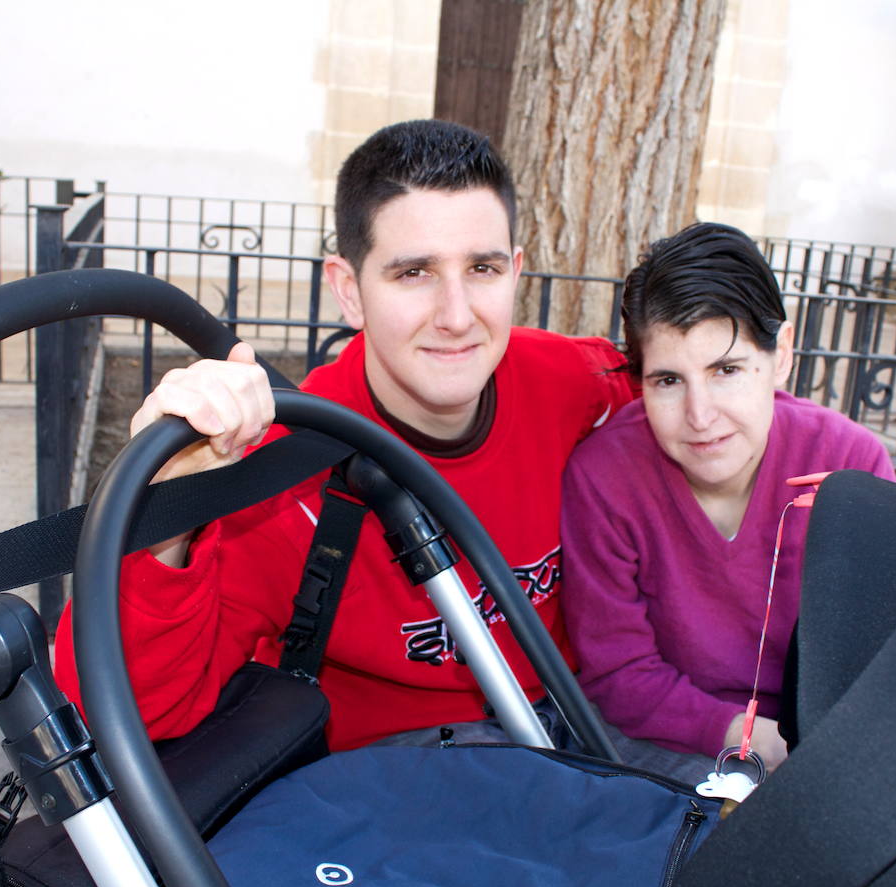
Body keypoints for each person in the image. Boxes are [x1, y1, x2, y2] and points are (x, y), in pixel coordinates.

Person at [51, 120, 638, 752]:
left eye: (483, 268)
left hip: (576, 734)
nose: (458, 315)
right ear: (349, 290)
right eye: (414, 273)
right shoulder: (284, 475)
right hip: (390, 785)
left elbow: (704, 415)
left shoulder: (579, 383)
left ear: (516, 273)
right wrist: (169, 511)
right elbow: (123, 714)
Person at [559, 222, 896, 771]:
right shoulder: (604, 476)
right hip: (663, 741)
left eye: (726, 370)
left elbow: (884, 654)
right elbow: (620, 674)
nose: (700, 416)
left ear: (781, 355)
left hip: (823, 746)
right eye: (668, 381)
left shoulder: (849, 464)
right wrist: (754, 741)